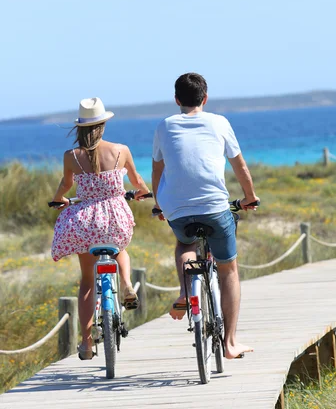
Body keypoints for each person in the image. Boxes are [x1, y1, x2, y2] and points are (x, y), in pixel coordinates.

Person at [152, 73, 259, 360]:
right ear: (205, 98)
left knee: (185, 245)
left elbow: (157, 172)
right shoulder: (219, 122)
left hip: (176, 208)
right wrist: (249, 198)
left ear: (176, 100)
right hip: (214, 207)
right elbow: (240, 167)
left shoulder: (165, 126)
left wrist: (161, 206)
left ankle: (187, 291)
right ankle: (230, 343)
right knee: (228, 269)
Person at [50, 97, 150, 360]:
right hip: (115, 217)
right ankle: (127, 284)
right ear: (103, 125)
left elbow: (65, 185)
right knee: (121, 250)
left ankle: (85, 343)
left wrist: (59, 198)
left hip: (85, 221)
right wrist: (143, 191)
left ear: (80, 128)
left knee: (86, 281)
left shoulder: (71, 156)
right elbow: (137, 179)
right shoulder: (121, 150)